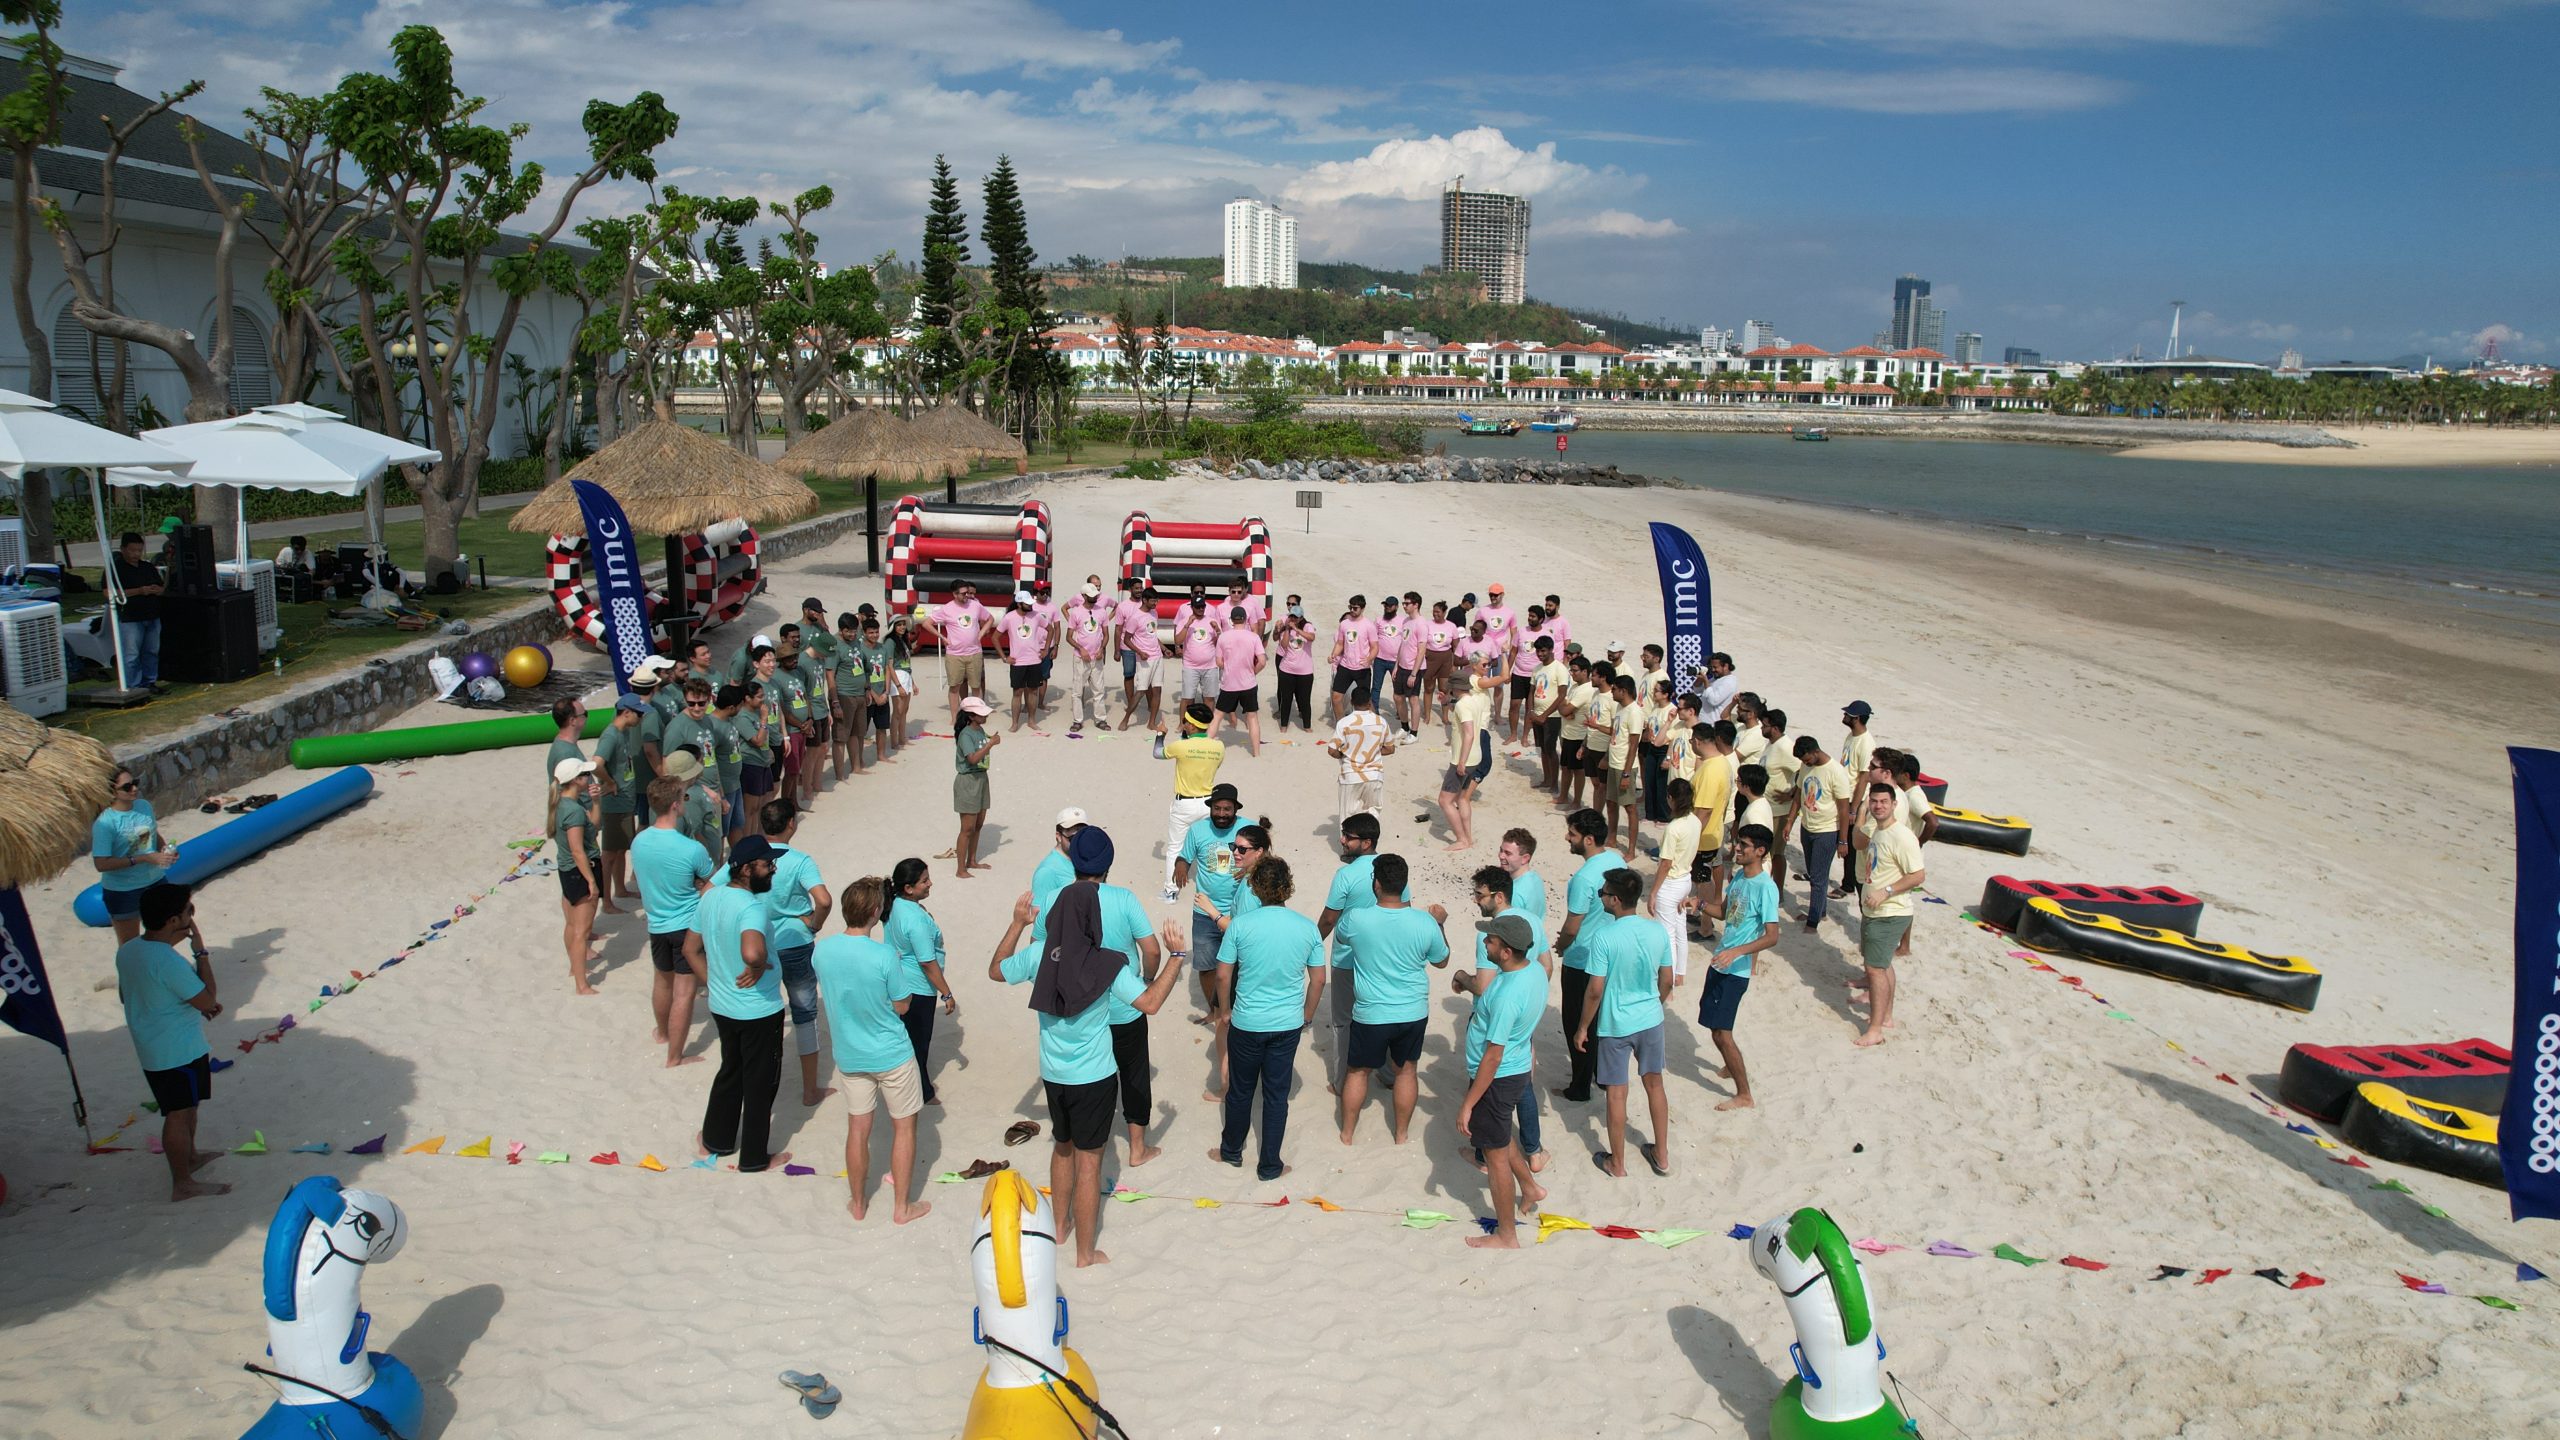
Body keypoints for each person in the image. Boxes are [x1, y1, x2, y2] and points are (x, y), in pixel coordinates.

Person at [987, 835, 1191, 1269]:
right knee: (1089, 1164)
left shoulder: (1040, 954)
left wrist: (1018, 923)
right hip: (1093, 1078)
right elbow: (1151, 1003)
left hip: (1053, 1074)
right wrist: (1176, 956)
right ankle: (1084, 1252)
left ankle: (1059, 1228)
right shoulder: (1107, 962)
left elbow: (996, 970)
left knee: (1062, 1148)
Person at [810, 876, 929, 1224]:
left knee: (858, 1128)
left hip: (850, 1054)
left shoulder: (822, 951)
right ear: (875, 912)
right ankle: (901, 1207)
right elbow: (903, 1004)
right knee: (904, 1128)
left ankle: (859, 1202)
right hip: (891, 1053)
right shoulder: (883, 955)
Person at [1040, 826, 1163, 1164]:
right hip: (1123, 1006)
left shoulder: (1055, 898)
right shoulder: (1124, 898)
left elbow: (1040, 949)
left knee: (1084, 1077)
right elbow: (1152, 950)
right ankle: (1137, 1147)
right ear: (1108, 863)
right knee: (1133, 1074)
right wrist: (1145, 980)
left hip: (1076, 1008)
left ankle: (1078, 1145)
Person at [1212, 857, 1323, 1181]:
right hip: (1287, 1024)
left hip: (1247, 1021)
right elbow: (1318, 980)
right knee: (1276, 1096)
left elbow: (1222, 975)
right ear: (1287, 886)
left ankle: (1231, 1150)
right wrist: (1307, 1016)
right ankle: (1270, 1164)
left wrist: (1225, 1009)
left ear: (1256, 887)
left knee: (1240, 1090)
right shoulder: (1307, 927)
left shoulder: (1240, 926)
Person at [716, 801, 832, 1106]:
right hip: (794, 942)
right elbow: (823, 900)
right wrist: (814, 924)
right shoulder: (800, 860)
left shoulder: (747, 857)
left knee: (756, 1013)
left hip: (753, 943)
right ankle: (810, 1090)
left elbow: (710, 890)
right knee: (805, 1013)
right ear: (791, 823)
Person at [115, 882, 225, 1200]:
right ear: (173, 920)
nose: (192, 915)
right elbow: (208, 999)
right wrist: (201, 952)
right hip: (176, 1050)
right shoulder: (167, 960)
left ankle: (191, 1158)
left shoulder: (129, 950)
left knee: (187, 1106)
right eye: (189, 910)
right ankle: (182, 1182)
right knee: (178, 1112)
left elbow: (129, 994)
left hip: (157, 1045)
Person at [1332, 854, 1449, 1146]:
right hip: (1412, 1011)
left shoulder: (1358, 919)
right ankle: (1401, 1134)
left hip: (1371, 1012)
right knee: (1406, 1071)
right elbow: (1442, 961)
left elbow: (1342, 937)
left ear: (1377, 884)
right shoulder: (1425, 922)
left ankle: (1347, 1133)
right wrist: (1439, 924)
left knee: (1357, 1072)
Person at [1451, 913, 1548, 1250]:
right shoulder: (1534, 970)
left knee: (1494, 1158)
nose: (1485, 943)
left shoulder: (1507, 995)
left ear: (1506, 952)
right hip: (1516, 1068)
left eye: (1490, 940)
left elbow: (1493, 1056)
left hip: (1498, 1075)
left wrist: (1468, 1104)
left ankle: (1507, 1235)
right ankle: (1531, 1187)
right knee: (1500, 1134)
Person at [694, 835, 789, 1173]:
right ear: (747, 869)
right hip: (758, 1010)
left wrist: (713, 981)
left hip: (723, 1006)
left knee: (730, 1071)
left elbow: (691, 949)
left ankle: (715, 1139)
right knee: (761, 1083)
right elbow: (752, 952)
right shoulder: (751, 907)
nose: (772, 870)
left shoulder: (710, 897)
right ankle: (754, 1157)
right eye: (767, 865)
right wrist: (758, 965)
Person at [1579, 869, 1674, 1178]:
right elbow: (1667, 980)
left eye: (1603, 893)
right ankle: (1662, 1154)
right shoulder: (1657, 931)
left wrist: (1583, 1027)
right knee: (1655, 1084)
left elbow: (1595, 990)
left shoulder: (1604, 937)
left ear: (1615, 900)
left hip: (1616, 1024)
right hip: (1650, 1019)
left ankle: (1617, 1163)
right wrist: (1654, 1005)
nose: (1601, 898)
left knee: (1616, 1094)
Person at [1465, 863, 1549, 1170]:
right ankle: (1534, 1151)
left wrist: (1461, 978)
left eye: (1480, 894)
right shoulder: (1533, 923)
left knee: (1487, 1094)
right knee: (1524, 1087)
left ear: (1498, 896)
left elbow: (1483, 986)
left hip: (1498, 1025)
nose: (1476, 900)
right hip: (1522, 1024)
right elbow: (1547, 966)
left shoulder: (1495, 936)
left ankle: (1481, 1156)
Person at [631, 776, 714, 1067]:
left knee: (662, 981)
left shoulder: (639, 842)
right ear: (676, 805)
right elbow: (710, 883)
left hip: (656, 923)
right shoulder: (690, 848)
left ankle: (663, 1033)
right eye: (683, 797)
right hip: (687, 925)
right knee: (684, 992)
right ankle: (675, 1057)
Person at [1703, 822, 1780, 1110]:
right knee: (1715, 1027)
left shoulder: (1766, 888)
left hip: (1736, 971)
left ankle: (1744, 1095)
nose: (1736, 848)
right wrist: (1699, 905)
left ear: (1760, 851)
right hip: (1720, 962)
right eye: (1738, 842)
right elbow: (1725, 913)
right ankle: (1730, 1064)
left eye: (1743, 845)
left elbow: (1772, 936)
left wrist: (1736, 952)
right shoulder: (1738, 877)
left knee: (1722, 1033)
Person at [1552, 808, 1627, 1104]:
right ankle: (1602, 1076)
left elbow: (1573, 925)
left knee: (1576, 1023)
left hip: (1582, 959)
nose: (1567, 838)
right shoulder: (1617, 861)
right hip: (1612, 955)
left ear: (1588, 839)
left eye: (1572, 834)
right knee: (1601, 1022)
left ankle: (1580, 1087)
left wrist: (1561, 946)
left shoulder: (1583, 878)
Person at [1316, 812, 1387, 1093]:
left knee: (1343, 1022)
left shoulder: (1345, 874)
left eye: (1348, 837)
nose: (1342, 840)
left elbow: (1328, 919)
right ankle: (1388, 1074)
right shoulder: (1392, 870)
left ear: (1366, 842)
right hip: (1382, 959)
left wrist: (1312, 945)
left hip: (1347, 959)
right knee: (1382, 1015)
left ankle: (1342, 1081)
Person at [1174, 782, 1255, 1024]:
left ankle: (1239, 1010)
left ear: (1236, 809)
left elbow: (1266, 857)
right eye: (1216, 808)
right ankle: (1215, 1011)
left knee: (1243, 965)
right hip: (1204, 912)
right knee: (1207, 967)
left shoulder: (1249, 829)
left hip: (1240, 912)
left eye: (1226, 809)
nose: (1221, 814)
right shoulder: (1197, 830)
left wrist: (1252, 867)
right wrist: (1181, 866)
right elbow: (1184, 856)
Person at [1852, 784, 1924, 1048]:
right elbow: (1859, 844)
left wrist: (1886, 891)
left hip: (1890, 912)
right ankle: (1887, 1017)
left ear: (1894, 804)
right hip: (1875, 910)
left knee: (1875, 970)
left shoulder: (1902, 836)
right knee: (1882, 965)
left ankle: (1875, 1030)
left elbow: (1918, 875)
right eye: (1874, 801)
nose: (1878, 806)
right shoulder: (1877, 831)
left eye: (1884, 801)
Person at [882, 858, 958, 1103]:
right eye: (924, 881)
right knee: (918, 1044)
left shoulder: (893, 904)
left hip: (896, 982)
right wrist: (946, 993)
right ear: (909, 888)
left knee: (903, 1037)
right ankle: (922, 1091)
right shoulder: (915, 919)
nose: (930, 883)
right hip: (917, 988)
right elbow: (926, 962)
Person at [91, 766, 179, 948]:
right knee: (130, 946)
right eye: (127, 787)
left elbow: (152, 834)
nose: (134, 788)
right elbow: (101, 864)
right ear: (112, 791)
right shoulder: (105, 823)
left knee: (165, 936)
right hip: (124, 890)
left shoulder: (143, 806)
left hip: (155, 881)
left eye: (135, 783)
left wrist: (165, 850)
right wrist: (144, 859)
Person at [1153, 702, 1225, 902]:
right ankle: (1217, 889)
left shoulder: (1180, 746)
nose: (1183, 724)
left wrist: (1160, 734)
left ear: (1192, 725)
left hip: (1184, 805)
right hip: (1209, 804)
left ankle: (1171, 892)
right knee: (1211, 846)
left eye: (1185, 721)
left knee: (1175, 848)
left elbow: (1157, 753)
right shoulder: (1218, 747)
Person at [551, 758, 604, 996]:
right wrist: (591, 881)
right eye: (585, 775)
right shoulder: (572, 810)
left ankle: (575, 968)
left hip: (568, 870)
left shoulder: (564, 803)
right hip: (580, 870)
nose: (589, 778)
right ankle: (582, 985)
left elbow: (593, 826)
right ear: (575, 780)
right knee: (581, 930)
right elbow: (577, 850)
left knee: (572, 925)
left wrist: (596, 802)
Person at [593, 694, 649, 914]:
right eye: (639, 714)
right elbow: (596, 764)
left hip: (625, 801)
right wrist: (609, 782)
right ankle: (606, 902)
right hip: (613, 803)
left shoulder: (624, 732)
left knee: (620, 849)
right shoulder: (611, 735)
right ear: (626, 712)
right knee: (609, 854)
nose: (641, 718)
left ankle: (620, 890)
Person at [1793, 736, 1853, 932]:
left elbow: (1844, 809)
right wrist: (1790, 822)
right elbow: (1799, 794)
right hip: (1807, 826)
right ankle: (1820, 911)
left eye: (1807, 759)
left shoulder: (1836, 772)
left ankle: (1813, 922)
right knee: (1814, 873)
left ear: (1816, 752)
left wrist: (1843, 841)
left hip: (1826, 831)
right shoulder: (1805, 766)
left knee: (1818, 879)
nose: (1805, 763)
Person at [1437, 663, 1496, 852]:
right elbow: (1459, 709)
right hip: (1475, 757)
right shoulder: (1474, 700)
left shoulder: (1463, 705)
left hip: (1463, 759)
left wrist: (1461, 762)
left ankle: (1462, 839)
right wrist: (1446, 702)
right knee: (1462, 799)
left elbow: (1469, 734)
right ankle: (1468, 838)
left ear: (1455, 687)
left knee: (1445, 800)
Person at [1649, 777, 1701, 983]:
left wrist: (1653, 892)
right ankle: (1680, 973)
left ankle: (1667, 982)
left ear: (1671, 798)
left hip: (1671, 883)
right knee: (1680, 929)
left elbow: (1665, 864)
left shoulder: (1674, 828)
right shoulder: (1695, 821)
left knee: (1667, 935)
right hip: (1685, 879)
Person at [1325, 681, 1394, 834]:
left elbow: (1331, 750)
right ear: (1369, 703)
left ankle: (1349, 845)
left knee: (1347, 816)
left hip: (1351, 775)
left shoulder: (1344, 723)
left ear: (1351, 702)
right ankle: (1369, 842)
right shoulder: (1381, 722)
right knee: (1372, 814)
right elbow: (1390, 748)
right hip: (1374, 775)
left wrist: (1343, 754)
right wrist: (1374, 751)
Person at [931, 580, 995, 723]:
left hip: (974, 652)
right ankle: (955, 717)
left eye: (968, 592)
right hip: (955, 654)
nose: (967, 595)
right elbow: (927, 623)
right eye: (964, 593)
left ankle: (977, 715)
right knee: (954, 687)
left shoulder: (975, 605)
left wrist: (981, 633)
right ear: (954, 594)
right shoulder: (947, 608)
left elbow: (990, 618)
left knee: (976, 686)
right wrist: (942, 637)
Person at [109, 531, 166, 690]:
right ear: (123, 549)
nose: (136, 554)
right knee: (131, 654)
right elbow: (109, 593)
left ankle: (149, 682)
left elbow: (162, 587)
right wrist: (139, 591)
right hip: (130, 617)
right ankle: (133, 685)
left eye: (139, 550)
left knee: (152, 651)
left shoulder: (147, 567)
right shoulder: (116, 569)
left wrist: (157, 590)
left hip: (152, 615)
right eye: (132, 550)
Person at [951, 696, 999, 877]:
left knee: (978, 825)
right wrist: (990, 744)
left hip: (981, 779)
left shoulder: (979, 730)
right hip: (968, 781)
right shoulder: (965, 735)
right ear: (970, 716)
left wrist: (989, 742)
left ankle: (972, 860)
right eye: (981, 714)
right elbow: (972, 758)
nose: (985, 716)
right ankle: (960, 869)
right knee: (967, 829)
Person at [1834, 701, 1877, 900]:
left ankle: (1848, 884)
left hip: (1854, 799)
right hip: (1844, 794)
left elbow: (1864, 778)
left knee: (1850, 845)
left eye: (1848, 714)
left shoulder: (1866, 743)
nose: (1844, 716)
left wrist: (1853, 809)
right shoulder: (1851, 736)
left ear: (1857, 718)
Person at [1061, 579, 1115, 735]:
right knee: (1077, 691)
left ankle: (1100, 719)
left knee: (1098, 690)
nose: (1095, 597)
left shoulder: (1102, 611)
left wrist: (1102, 649)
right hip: (1080, 658)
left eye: (1096, 594)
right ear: (1084, 596)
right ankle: (1077, 720)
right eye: (1092, 595)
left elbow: (1106, 634)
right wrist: (1081, 649)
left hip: (1097, 657)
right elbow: (1069, 637)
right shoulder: (1076, 612)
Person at [1213, 604, 1267, 756]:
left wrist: (1229, 667)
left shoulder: (1223, 637)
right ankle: (1256, 753)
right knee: (1252, 717)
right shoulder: (1253, 637)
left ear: (1231, 620)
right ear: (1246, 619)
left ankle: (1206, 746)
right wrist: (1253, 672)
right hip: (1248, 683)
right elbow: (1262, 661)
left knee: (1217, 716)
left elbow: (1219, 662)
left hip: (1229, 683)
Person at [1114, 576, 1165, 732]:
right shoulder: (1135, 618)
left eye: (1156, 601)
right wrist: (1139, 652)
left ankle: (1151, 722)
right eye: (1153, 601)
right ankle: (1126, 719)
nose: (1155, 604)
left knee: (1157, 690)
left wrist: (1164, 648)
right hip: (1144, 659)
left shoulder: (1154, 614)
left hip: (1157, 657)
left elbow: (1153, 635)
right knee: (1141, 690)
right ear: (1145, 600)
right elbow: (1127, 639)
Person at [1324, 595, 1381, 724]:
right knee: (1336, 697)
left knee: (1365, 701)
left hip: (1362, 668)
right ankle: (1341, 725)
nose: (1352, 610)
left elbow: (1375, 647)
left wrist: (1369, 659)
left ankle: (1375, 724)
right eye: (1350, 607)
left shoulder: (1368, 625)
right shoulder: (1344, 624)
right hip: (1345, 666)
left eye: (1355, 608)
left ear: (1362, 608)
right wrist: (1333, 655)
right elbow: (1340, 643)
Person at [1758, 709, 1799, 888]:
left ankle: (1778, 890)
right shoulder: (1771, 743)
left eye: (1764, 725)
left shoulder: (1785, 747)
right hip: (1767, 807)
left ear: (1774, 728)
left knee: (1775, 853)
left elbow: (1803, 769)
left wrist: (1791, 794)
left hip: (1779, 811)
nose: (1761, 728)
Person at [1526, 636, 1569, 792]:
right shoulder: (1537, 669)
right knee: (1543, 749)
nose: (1540, 654)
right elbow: (1531, 691)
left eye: (1543, 651)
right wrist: (1531, 711)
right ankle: (1546, 779)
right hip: (1537, 714)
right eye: (1538, 651)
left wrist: (1545, 714)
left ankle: (1554, 783)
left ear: (1551, 650)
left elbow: (1562, 694)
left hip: (1552, 716)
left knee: (1551, 749)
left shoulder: (1560, 669)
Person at [1002, 591, 1048, 732]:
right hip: (1017, 662)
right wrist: (1004, 657)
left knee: (1033, 691)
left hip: (1034, 660)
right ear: (1019, 604)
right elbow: (995, 637)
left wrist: (1046, 649)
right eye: (1027, 603)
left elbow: (1050, 629)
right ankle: (1015, 723)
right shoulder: (1009, 617)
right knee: (1017, 692)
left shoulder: (1036, 615)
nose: (1030, 605)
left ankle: (1031, 721)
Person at [1271, 598, 1318, 731]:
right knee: (1286, 699)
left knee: (1304, 700)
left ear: (1301, 618)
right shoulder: (1286, 627)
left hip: (1305, 671)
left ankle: (1307, 726)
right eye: (1291, 616)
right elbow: (1284, 645)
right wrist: (1287, 629)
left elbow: (1311, 637)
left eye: (1296, 617)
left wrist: (1296, 629)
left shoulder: (1307, 626)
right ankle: (1284, 725)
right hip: (1287, 669)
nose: (1293, 619)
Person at [543, 696, 589, 835]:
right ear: (572, 720)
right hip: (577, 820)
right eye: (584, 714)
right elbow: (571, 787)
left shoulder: (566, 745)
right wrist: (591, 811)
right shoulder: (565, 752)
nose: (587, 717)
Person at [1172, 584, 1222, 709]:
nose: (1201, 609)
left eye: (1202, 606)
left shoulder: (1212, 619)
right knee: (1187, 698)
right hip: (1190, 666)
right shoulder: (1184, 619)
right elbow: (1177, 639)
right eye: (1198, 607)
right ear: (1192, 607)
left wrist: (1218, 631)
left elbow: (1221, 643)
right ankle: (1183, 721)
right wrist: (1187, 625)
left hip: (1210, 666)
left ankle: (1208, 721)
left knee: (1209, 698)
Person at [1556, 655, 1595, 811]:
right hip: (1568, 733)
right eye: (1571, 670)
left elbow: (1564, 708)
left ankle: (1577, 801)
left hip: (1578, 736)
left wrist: (1564, 710)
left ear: (1585, 672)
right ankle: (1563, 796)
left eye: (1575, 670)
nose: (1572, 673)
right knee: (1566, 767)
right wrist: (1564, 710)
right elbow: (1562, 703)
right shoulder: (1574, 686)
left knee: (1578, 770)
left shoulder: (1586, 690)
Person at [1504, 604, 1547, 742]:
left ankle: (1525, 737)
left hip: (1536, 676)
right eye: (1529, 615)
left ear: (1541, 619)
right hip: (1518, 674)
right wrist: (1507, 671)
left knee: (1530, 707)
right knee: (1514, 705)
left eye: (1533, 616)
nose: (1530, 618)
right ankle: (1513, 734)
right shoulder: (1521, 632)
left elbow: (1548, 656)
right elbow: (1513, 652)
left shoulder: (1546, 634)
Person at [1420, 599, 1460, 725]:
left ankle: (1445, 716)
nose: (1435, 614)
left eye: (1438, 612)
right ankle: (1427, 715)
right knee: (1429, 688)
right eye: (1434, 611)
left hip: (1446, 659)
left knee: (1444, 688)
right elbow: (1421, 642)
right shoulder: (1427, 624)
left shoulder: (1451, 626)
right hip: (1430, 658)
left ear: (1444, 612)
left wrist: (1454, 664)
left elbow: (1456, 646)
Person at [1371, 594, 1411, 702]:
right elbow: (1373, 638)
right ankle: (1374, 708)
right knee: (1376, 687)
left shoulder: (1403, 621)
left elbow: (1406, 640)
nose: (1387, 608)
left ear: (1396, 607)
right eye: (1385, 605)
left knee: (1398, 689)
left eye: (1390, 606)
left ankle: (1400, 709)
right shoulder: (1379, 620)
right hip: (1379, 659)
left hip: (1396, 661)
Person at [1699, 652, 1738, 720]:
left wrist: (1705, 681)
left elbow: (1714, 701)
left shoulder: (1729, 681)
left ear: (1726, 666)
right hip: (1704, 722)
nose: (1713, 670)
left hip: (1715, 723)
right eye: (1711, 667)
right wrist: (1699, 678)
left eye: (1715, 667)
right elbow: (1697, 690)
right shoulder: (1714, 679)